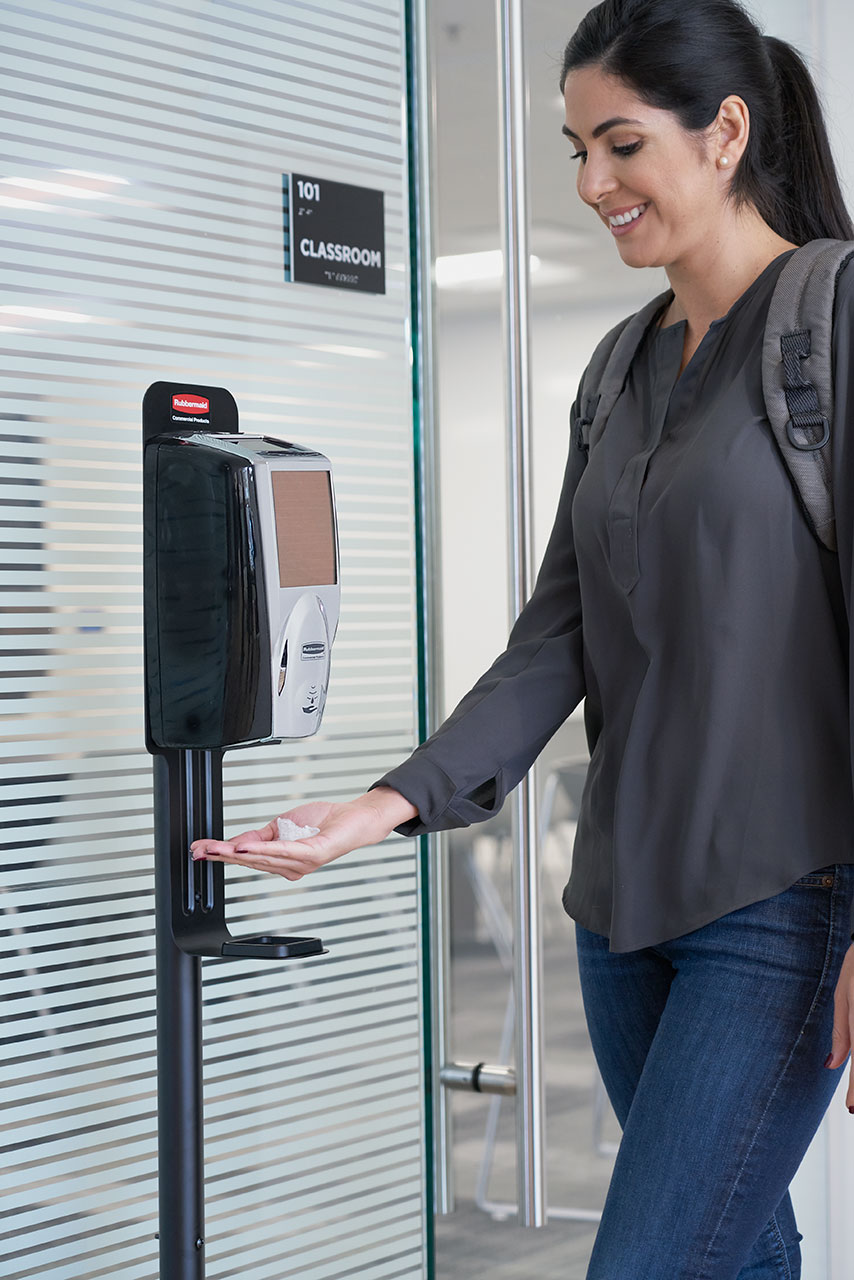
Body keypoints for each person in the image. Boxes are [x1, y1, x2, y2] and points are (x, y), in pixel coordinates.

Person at [191, 0, 854, 1273]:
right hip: (616, 911)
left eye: (620, 145)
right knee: (735, 1253)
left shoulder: (828, 315)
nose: (591, 183)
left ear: (723, 132)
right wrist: (377, 807)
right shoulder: (617, 368)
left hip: (777, 904)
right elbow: (556, 636)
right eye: (575, 150)